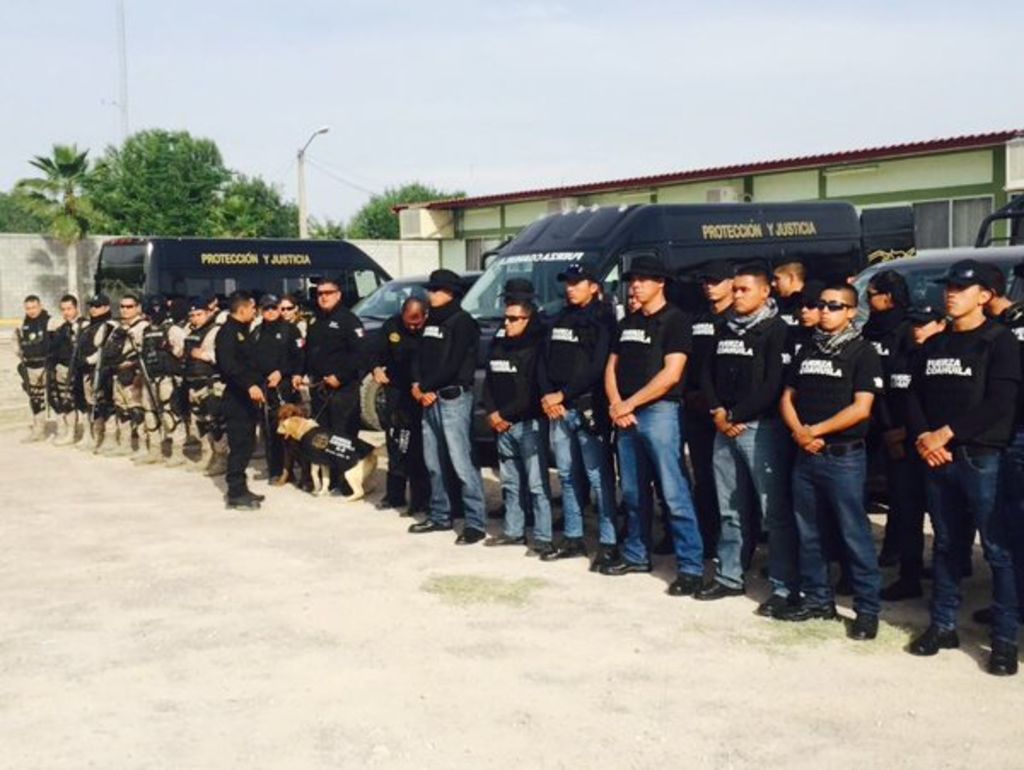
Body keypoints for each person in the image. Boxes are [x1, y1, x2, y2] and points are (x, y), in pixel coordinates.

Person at [905, 259, 1021, 676]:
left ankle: (1004, 641)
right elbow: (913, 396)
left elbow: (1000, 403)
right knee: (947, 545)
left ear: (985, 296)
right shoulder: (934, 344)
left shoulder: (1000, 341)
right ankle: (943, 625)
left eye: (960, 288)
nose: (950, 294)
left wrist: (946, 434)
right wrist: (925, 437)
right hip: (938, 459)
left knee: (998, 550)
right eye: (948, 287)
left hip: (982, 457)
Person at [779, 284, 884, 638]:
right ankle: (817, 600)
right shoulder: (808, 348)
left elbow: (861, 408)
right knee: (809, 533)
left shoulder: (863, 352)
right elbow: (788, 397)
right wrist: (800, 432)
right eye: (821, 305)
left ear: (851, 312)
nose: (824, 311)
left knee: (853, 534)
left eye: (834, 306)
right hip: (806, 454)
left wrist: (816, 431)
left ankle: (867, 610)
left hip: (843, 458)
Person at [696, 262, 798, 616]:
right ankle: (729, 575)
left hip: (761, 430)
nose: (737, 295)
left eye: (744, 290)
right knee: (730, 508)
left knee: (774, 513)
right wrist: (718, 411)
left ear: (765, 292)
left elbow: (774, 384)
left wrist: (736, 415)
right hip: (723, 428)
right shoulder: (723, 327)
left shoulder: (777, 330)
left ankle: (784, 586)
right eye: (735, 289)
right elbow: (706, 373)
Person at [601, 254, 704, 595]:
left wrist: (629, 403)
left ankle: (690, 567)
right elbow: (611, 367)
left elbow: (671, 374)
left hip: (660, 413)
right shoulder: (627, 322)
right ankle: (636, 554)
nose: (636, 285)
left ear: (661, 283)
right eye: (633, 280)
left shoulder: (676, 320)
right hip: (625, 415)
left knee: (674, 493)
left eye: (643, 279)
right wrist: (617, 404)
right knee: (632, 492)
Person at [539, 263, 617, 565]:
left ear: (593, 287)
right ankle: (573, 537)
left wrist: (564, 395)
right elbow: (544, 360)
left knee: (599, 478)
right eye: (568, 283)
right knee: (567, 476)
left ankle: (609, 541)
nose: (570, 288)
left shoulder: (603, 321)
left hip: (587, 407)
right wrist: (549, 396)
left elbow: (597, 367)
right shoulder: (559, 317)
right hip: (559, 409)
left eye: (577, 283)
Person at [408, 268, 486, 543]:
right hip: (429, 398)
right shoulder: (431, 320)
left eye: (435, 290)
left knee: (462, 463)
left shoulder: (463, 322)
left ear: (450, 293)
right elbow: (418, 355)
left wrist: (426, 387)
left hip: (452, 399)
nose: (430, 294)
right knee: (433, 463)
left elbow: (453, 364)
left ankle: (475, 523)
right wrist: (417, 384)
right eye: (429, 289)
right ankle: (440, 515)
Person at [482, 279, 554, 554]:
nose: (507, 323)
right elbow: (489, 379)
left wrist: (503, 414)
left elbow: (531, 391)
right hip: (502, 425)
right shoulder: (499, 341)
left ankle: (544, 538)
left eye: (514, 319)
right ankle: (514, 531)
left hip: (528, 423)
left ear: (528, 316)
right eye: (506, 317)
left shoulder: (538, 344)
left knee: (536, 484)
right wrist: (492, 413)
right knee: (510, 483)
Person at [881, 304, 948, 601]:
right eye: (915, 323)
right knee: (907, 514)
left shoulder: (943, 357)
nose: (917, 329)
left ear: (941, 324)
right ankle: (909, 576)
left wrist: (914, 433)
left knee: (944, 519)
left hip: (934, 446)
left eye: (924, 324)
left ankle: (949, 579)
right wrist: (890, 432)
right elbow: (886, 396)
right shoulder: (902, 356)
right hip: (902, 448)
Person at [862, 270, 915, 566]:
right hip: (866, 418)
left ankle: (898, 551)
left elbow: (906, 381)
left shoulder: (907, 330)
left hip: (895, 420)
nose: (867, 301)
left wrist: (899, 427)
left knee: (901, 493)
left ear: (888, 297)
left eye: (870, 295)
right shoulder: (869, 330)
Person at [685, 262, 735, 558]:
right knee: (703, 478)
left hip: (726, 411)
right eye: (706, 281)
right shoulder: (698, 318)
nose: (709, 286)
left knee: (730, 483)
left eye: (715, 281)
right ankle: (707, 537)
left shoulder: (738, 320)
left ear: (731, 283)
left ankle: (737, 545)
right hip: (696, 407)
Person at [300, 277, 366, 494]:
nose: (323, 297)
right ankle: (330, 481)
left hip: (343, 389)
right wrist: (302, 373)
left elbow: (360, 355)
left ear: (338, 294)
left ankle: (347, 483)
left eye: (328, 293)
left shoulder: (349, 320)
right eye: (319, 293)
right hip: (320, 388)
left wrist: (341, 376)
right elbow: (309, 351)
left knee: (343, 436)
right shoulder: (315, 320)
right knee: (323, 436)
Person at [372, 296, 430, 514]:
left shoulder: (431, 329)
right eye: (409, 322)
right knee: (396, 442)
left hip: (421, 392)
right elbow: (374, 352)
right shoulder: (391, 326)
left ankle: (421, 499)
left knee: (419, 448)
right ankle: (394, 495)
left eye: (417, 323)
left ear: (425, 316)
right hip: (396, 391)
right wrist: (376, 368)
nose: (413, 327)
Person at [215, 291, 267, 510]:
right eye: (253, 308)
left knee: (247, 445)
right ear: (242, 309)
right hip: (237, 398)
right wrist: (249, 385)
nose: (255, 312)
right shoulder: (227, 333)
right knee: (239, 446)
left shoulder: (243, 331)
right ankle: (235, 493)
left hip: (248, 399)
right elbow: (229, 366)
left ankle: (242, 488)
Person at [253, 294, 304, 483]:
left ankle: (297, 470)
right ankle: (276, 470)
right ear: (260, 311)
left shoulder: (291, 330)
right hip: (265, 387)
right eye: (266, 308)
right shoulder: (256, 332)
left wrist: (283, 372)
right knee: (269, 430)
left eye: (274, 308)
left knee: (290, 431)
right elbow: (251, 359)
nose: (270, 312)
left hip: (285, 386)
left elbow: (299, 357)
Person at [98, 293, 149, 459]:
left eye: (129, 307)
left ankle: (144, 447)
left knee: (137, 412)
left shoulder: (143, 327)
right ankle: (125, 444)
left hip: (134, 375)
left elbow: (144, 353)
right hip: (117, 374)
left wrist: (136, 370)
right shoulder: (118, 328)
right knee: (122, 411)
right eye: (122, 307)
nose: (125, 310)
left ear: (138, 308)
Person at [183, 298, 227, 474]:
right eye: (192, 315)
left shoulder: (217, 331)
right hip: (194, 382)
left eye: (199, 314)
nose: (195, 318)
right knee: (201, 422)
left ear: (208, 313)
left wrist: (204, 355)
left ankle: (221, 458)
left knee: (216, 423)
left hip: (211, 382)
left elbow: (223, 355)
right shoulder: (191, 332)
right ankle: (207, 456)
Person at [74, 295, 117, 452]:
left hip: (103, 371)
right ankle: (94, 436)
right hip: (87, 372)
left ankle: (109, 439)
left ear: (106, 307)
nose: (93, 309)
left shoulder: (110, 326)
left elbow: (104, 349)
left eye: (97, 306)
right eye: (91, 306)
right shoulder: (88, 327)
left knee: (106, 405)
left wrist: (88, 360)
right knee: (91, 404)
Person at [48, 294, 88, 445]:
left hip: (81, 370)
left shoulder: (85, 326)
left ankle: (88, 436)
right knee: (68, 402)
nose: (66, 312)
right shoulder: (61, 328)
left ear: (76, 308)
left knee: (84, 404)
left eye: (69, 309)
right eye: (63, 309)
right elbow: (54, 350)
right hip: (64, 370)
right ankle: (71, 433)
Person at [15, 294, 54, 442]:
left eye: (34, 307)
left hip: (47, 366)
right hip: (31, 367)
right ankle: (39, 431)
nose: (31, 311)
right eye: (28, 308)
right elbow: (16, 343)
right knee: (36, 400)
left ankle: (64, 431)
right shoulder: (22, 325)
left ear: (40, 306)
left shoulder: (50, 322)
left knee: (58, 399)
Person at [772, 261, 807, 327]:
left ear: (791, 278)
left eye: (777, 279)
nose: (773, 284)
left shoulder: (812, 303)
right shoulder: (775, 304)